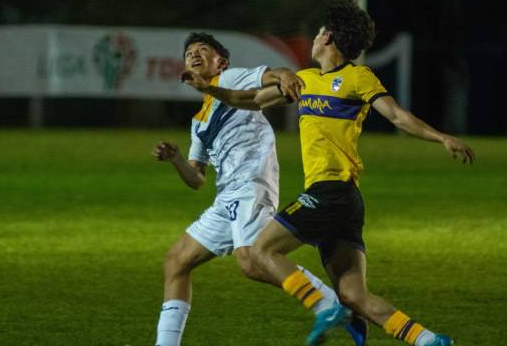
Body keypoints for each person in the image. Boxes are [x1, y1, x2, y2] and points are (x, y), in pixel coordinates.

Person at [181, 2, 474, 346]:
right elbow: (248, 100)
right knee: (354, 295)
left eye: (319, 33)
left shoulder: (357, 77)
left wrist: (441, 137)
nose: (314, 38)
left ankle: (326, 309)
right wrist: (208, 88)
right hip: (344, 203)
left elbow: (397, 115)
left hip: (331, 192)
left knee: (260, 252)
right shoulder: (304, 81)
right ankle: (429, 340)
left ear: (328, 38)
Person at [153, 32, 365, 346]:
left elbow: (274, 74)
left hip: (251, 185)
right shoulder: (199, 122)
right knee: (177, 261)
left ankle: (328, 304)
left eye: (203, 50)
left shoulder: (232, 79)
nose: (194, 55)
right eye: (188, 53)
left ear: (221, 62)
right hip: (226, 199)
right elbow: (197, 179)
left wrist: (286, 75)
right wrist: (176, 160)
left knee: (252, 260)